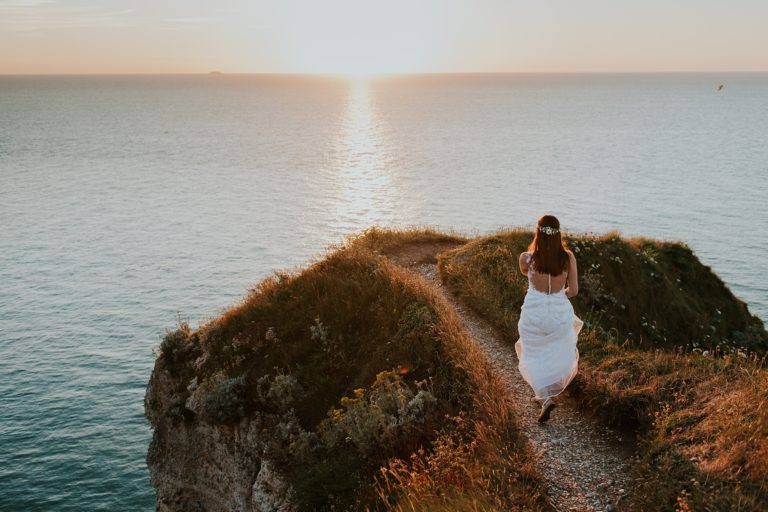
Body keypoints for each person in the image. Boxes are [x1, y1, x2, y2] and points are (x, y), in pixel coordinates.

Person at [516, 214, 583, 422]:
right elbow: (574, 291)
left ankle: (545, 399)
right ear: (558, 234)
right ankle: (547, 394)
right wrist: (557, 294)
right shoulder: (568, 258)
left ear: (538, 231)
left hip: (534, 311)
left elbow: (525, 273)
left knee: (532, 353)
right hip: (558, 311)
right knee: (554, 350)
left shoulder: (527, 258)